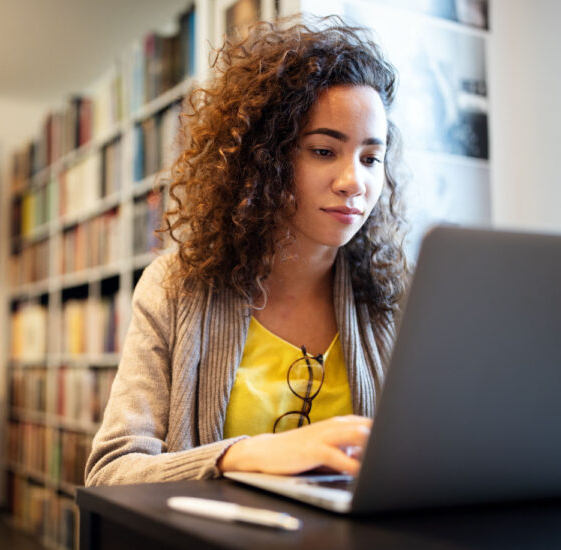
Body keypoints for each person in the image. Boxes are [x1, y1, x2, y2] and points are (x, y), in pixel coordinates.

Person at [85, 16, 409, 486]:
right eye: (323, 151)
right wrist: (245, 456)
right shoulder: (175, 286)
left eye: (370, 158)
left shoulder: (396, 298)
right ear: (265, 158)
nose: (354, 182)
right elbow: (110, 471)